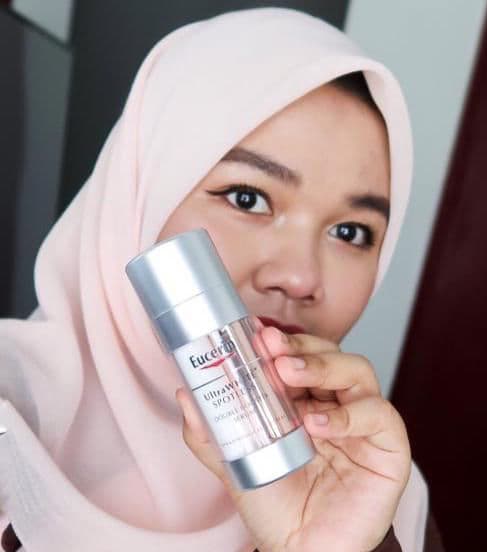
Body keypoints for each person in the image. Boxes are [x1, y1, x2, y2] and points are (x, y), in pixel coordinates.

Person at [0, 8, 443, 551]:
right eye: (248, 198)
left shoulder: (377, 489)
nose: (300, 277)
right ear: (138, 194)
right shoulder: (8, 417)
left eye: (350, 232)